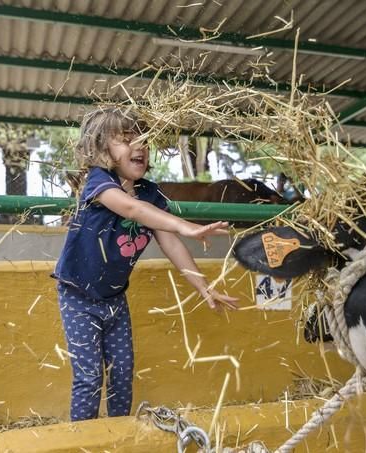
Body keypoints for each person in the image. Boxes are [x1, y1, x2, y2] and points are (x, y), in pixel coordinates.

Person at [53, 104, 238, 421]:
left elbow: (170, 242)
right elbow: (131, 210)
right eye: (127, 140)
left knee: (123, 374)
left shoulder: (151, 194)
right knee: (89, 378)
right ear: (102, 149)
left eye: (145, 140)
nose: (139, 147)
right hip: (78, 298)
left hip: (114, 299)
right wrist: (187, 225)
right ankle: (82, 439)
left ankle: (119, 435)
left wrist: (203, 287)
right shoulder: (98, 183)